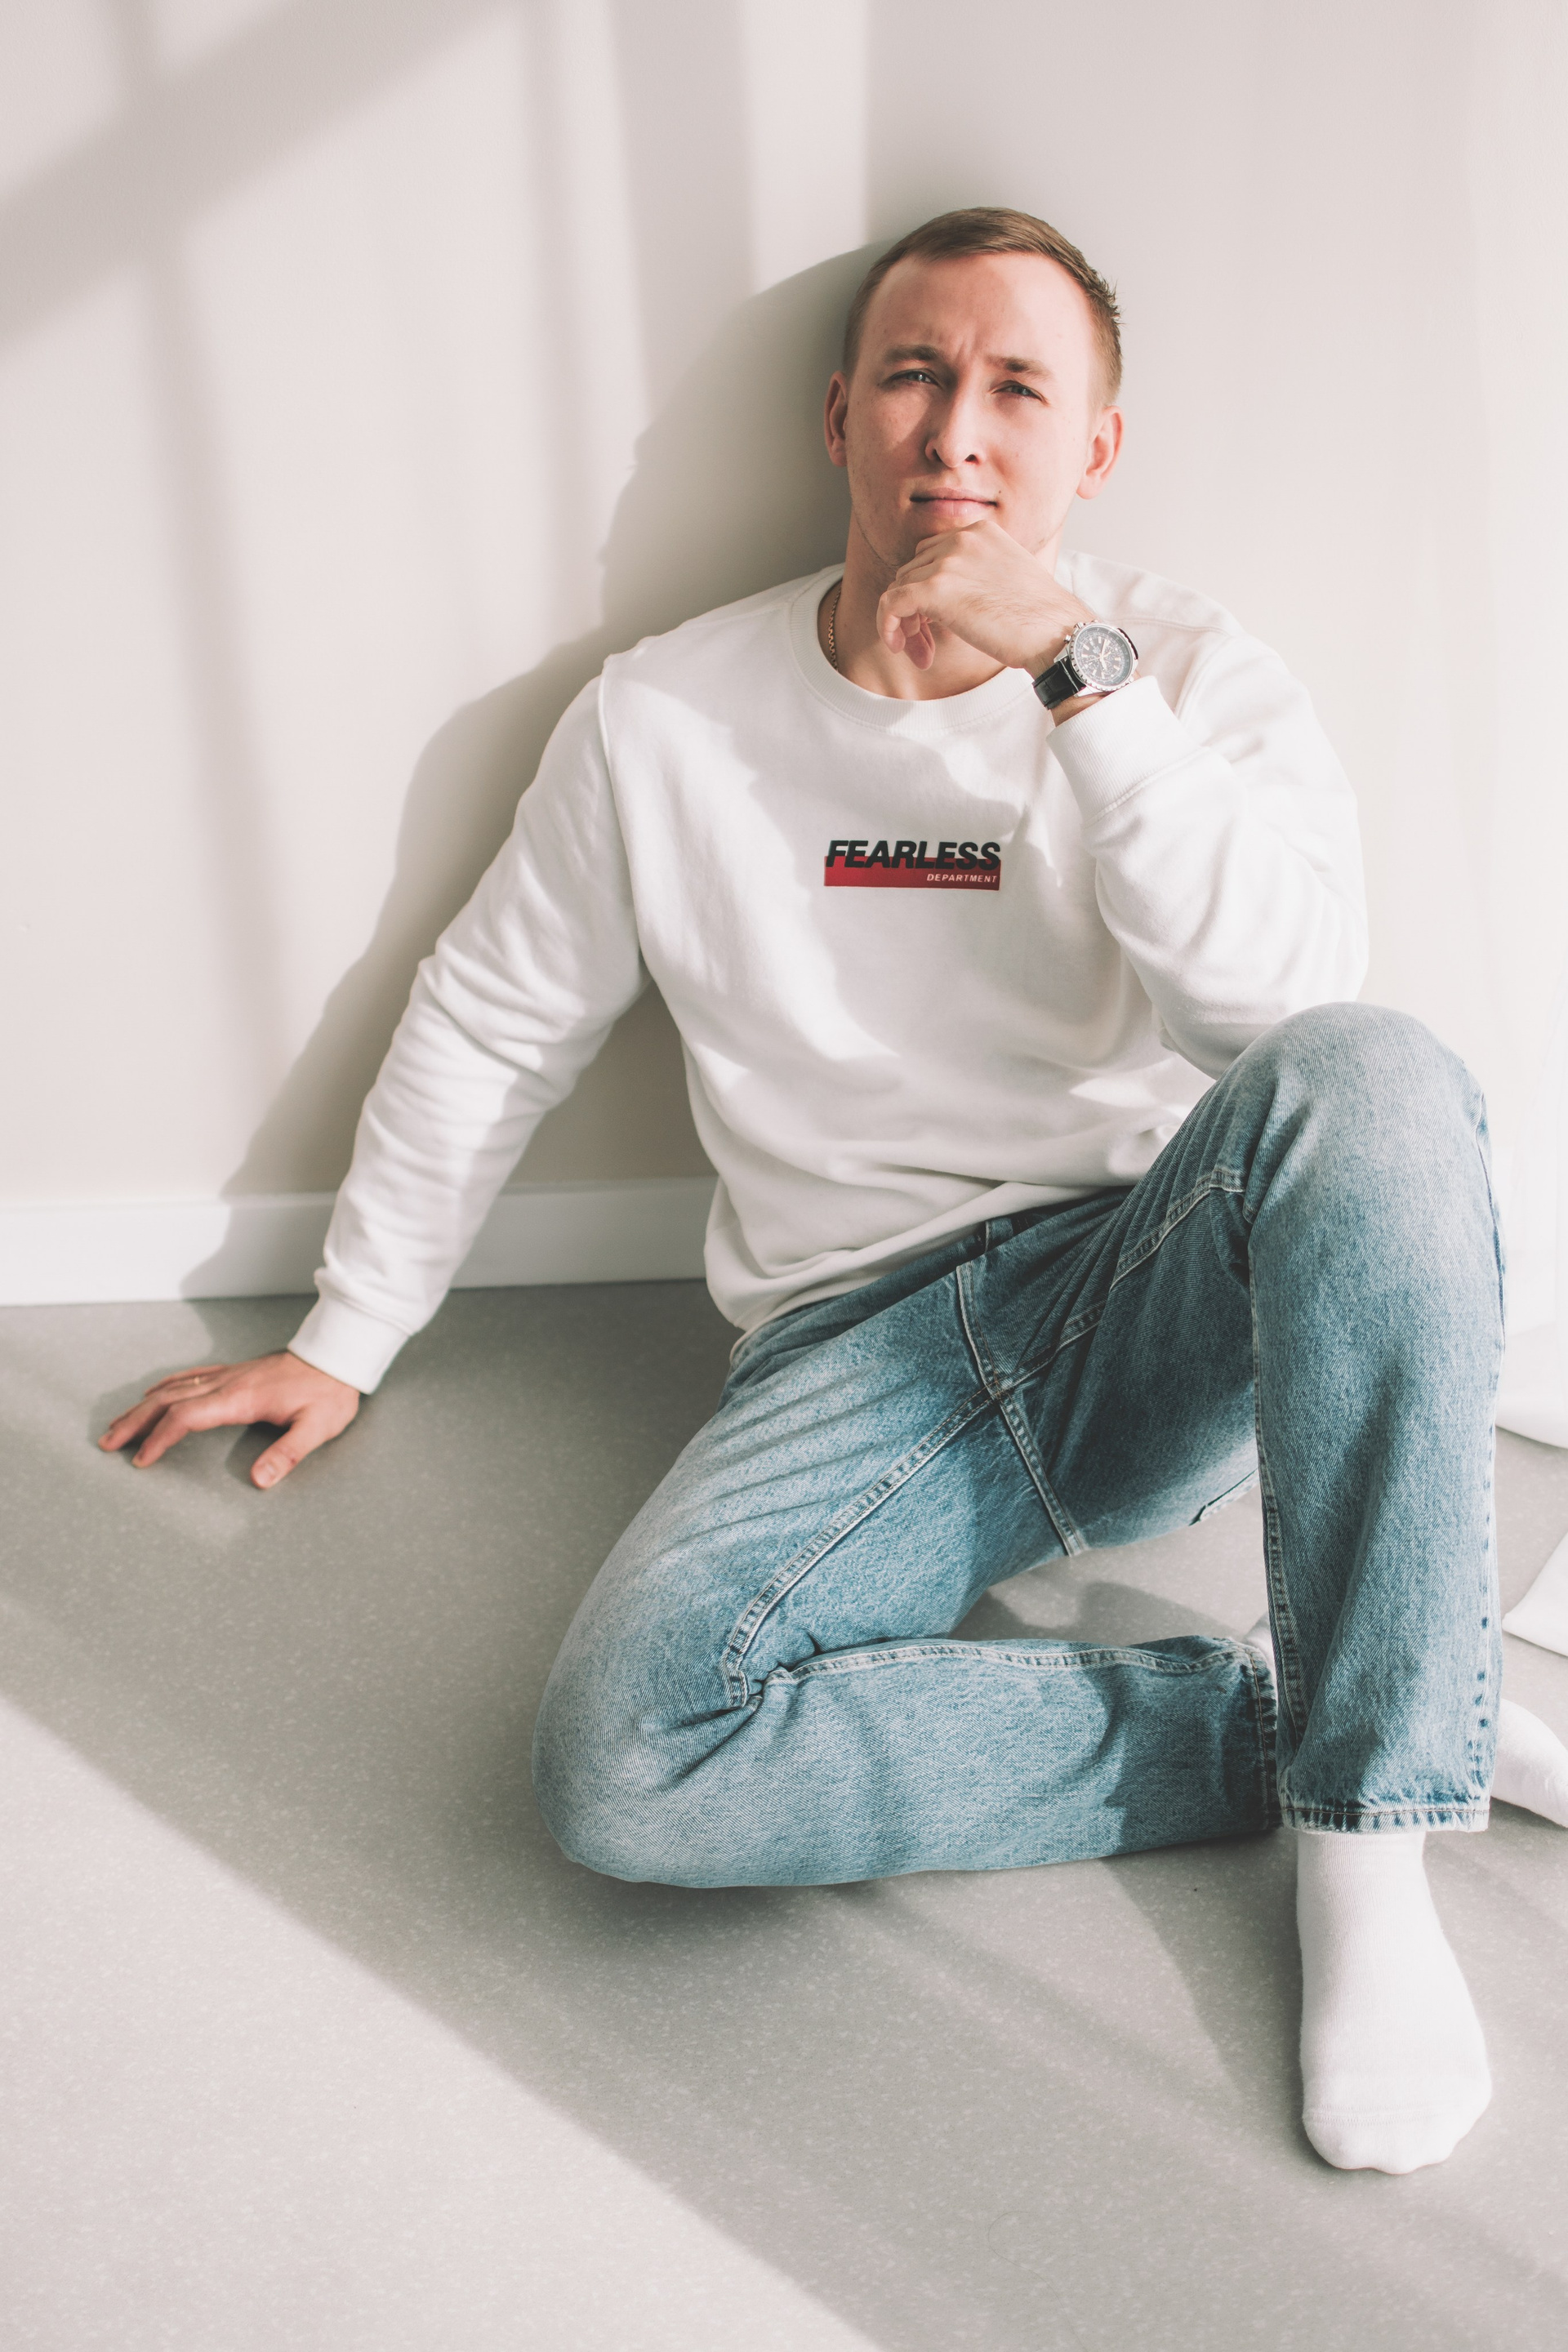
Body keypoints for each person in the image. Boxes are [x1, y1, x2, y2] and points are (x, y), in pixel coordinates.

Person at [101, 207, 1568, 2175]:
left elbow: (1281, 1018)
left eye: (1017, 389)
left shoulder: (1190, 671)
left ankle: (1369, 1840)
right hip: (851, 1350)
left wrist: (1080, 678)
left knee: (1378, 1071)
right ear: (840, 417)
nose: (957, 429)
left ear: (1094, 448)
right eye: (914, 375)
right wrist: (347, 1332)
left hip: (1141, 1289)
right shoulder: (664, 717)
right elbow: (493, 1015)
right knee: (630, 1764)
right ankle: (1316, 1716)